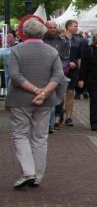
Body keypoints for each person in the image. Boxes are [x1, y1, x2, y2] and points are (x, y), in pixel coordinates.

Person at [7, 18, 66, 188]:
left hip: (20, 99)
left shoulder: (17, 50)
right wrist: (44, 92)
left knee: (20, 134)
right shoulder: (51, 51)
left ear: (24, 32)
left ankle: (28, 172)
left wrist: (35, 90)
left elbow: (15, 75)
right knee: (40, 137)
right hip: (45, 101)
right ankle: (37, 176)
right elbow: (58, 76)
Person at [43, 20, 70, 133]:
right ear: (46, 27)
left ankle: (51, 123)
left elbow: (65, 58)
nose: (53, 29)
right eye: (50, 27)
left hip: (56, 73)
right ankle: (47, 123)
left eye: (54, 27)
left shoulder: (63, 41)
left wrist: (59, 71)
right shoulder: (41, 40)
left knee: (55, 98)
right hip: (43, 72)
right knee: (45, 97)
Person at [64, 19, 84, 125]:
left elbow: (80, 57)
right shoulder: (61, 39)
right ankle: (58, 113)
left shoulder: (78, 40)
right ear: (68, 27)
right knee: (59, 93)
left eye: (77, 26)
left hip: (74, 69)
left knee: (70, 92)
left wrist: (81, 73)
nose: (77, 28)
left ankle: (68, 116)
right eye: (75, 26)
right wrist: (67, 63)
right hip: (62, 69)